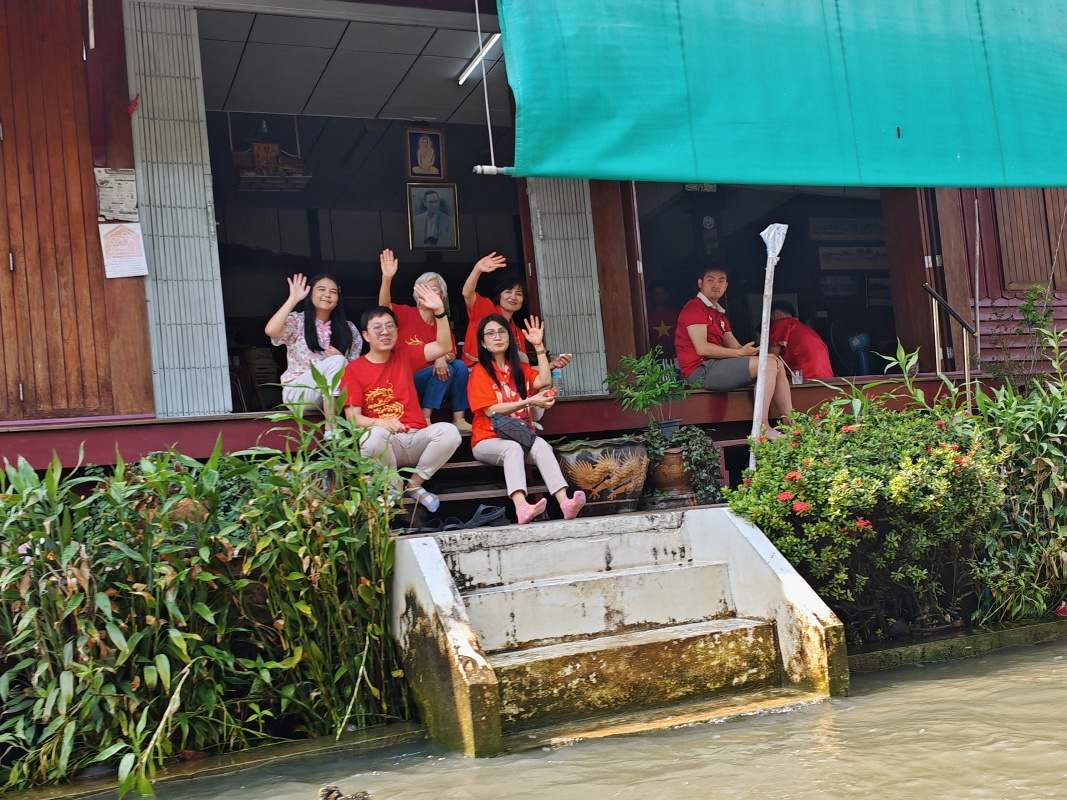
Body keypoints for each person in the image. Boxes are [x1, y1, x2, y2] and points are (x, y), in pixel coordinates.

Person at [341, 284, 461, 513]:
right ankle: (393, 486)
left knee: (449, 432)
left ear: (397, 331)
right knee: (373, 436)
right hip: (385, 444)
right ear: (365, 335)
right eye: (377, 328)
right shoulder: (354, 370)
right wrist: (382, 423)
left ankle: (414, 486)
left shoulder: (404, 354)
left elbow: (444, 346)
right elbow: (353, 418)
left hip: (414, 437)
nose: (385, 332)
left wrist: (440, 313)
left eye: (389, 327)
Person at [468, 314, 587, 524]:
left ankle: (565, 503)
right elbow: (491, 410)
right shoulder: (479, 372)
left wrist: (538, 346)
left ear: (510, 338)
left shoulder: (520, 369)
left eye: (502, 332)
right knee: (511, 449)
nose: (497, 337)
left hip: (519, 435)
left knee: (541, 446)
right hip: (487, 440)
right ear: (483, 343)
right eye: (490, 333)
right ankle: (521, 507)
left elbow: (543, 380)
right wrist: (528, 402)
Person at [674, 266, 793, 439]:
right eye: (710, 279)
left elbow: (737, 348)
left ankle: (791, 423)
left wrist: (756, 353)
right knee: (767, 364)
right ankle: (762, 426)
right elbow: (703, 348)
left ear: (726, 285)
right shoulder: (694, 307)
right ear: (700, 283)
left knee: (774, 360)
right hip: (700, 371)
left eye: (721, 280)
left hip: (716, 367)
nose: (716, 284)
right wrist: (741, 354)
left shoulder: (719, 314)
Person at [377, 248, 470, 432]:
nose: (428, 293)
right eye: (423, 288)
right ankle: (424, 417)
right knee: (448, 369)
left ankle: (459, 418)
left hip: (435, 379)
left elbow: (451, 351)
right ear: (416, 294)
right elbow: (383, 308)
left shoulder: (441, 321)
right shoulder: (405, 313)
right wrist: (387, 278)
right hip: (406, 379)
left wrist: (442, 357)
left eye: (433, 289)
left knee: (457, 366)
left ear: (441, 296)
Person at [264, 273, 361, 425]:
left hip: (333, 397)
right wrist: (293, 299)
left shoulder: (349, 329)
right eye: (321, 289)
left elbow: (356, 371)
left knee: (340, 363)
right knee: (337, 361)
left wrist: (342, 358)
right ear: (310, 294)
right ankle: (331, 428)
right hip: (299, 393)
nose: (327, 295)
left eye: (333, 292)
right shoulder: (297, 321)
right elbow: (271, 330)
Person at [460, 253, 573, 370]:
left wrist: (552, 364)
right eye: (508, 292)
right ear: (499, 296)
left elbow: (524, 371)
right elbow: (467, 293)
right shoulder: (486, 309)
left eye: (518, 294)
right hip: (474, 373)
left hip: (504, 380)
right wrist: (477, 269)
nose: (513, 297)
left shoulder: (518, 333)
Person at [768, 302, 834, 381]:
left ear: (776, 314)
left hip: (804, 377)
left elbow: (771, 358)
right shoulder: (805, 329)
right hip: (828, 378)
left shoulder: (781, 323)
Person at [646, 280, 676, 357]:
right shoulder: (646, 316)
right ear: (652, 296)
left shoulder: (676, 314)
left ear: (668, 294)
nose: (660, 297)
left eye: (662, 294)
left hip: (674, 354)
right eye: (657, 294)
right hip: (653, 356)